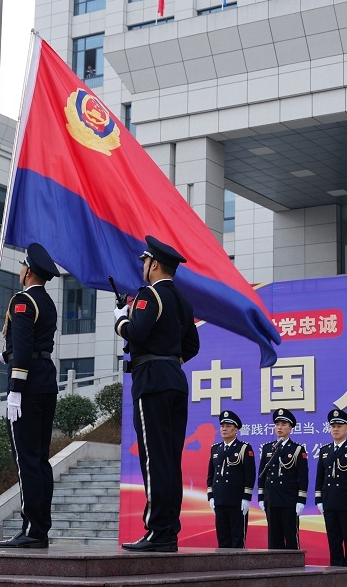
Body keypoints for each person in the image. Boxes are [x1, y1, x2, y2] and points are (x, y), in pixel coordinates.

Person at [115, 235, 200, 553]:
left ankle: (157, 530)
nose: (143, 268)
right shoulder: (183, 300)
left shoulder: (149, 295)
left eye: (145, 263)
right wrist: (170, 359)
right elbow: (192, 346)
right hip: (175, 380)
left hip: (151, 381)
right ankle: (168, 530)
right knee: (169, 459)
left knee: (154, 457)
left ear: (154, 264)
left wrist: (121, 321)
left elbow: (136, 333)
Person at [0, 243, 60, 550]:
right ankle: (40, 528)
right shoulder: (47, 302)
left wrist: (15, 391)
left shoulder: (22, 301)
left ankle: (31, 528)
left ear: (28, 271)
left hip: (28, 386)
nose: (20, 270)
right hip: (46, 381)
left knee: (26, 459)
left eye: (22, 266)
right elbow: (30, 346)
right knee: (40, 459)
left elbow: (22, 349)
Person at [315, 407, 347, 567]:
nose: (335, 429)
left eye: (339, 426)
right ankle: (336, 572)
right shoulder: (325, 451)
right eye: (333, 426)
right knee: (333, 538)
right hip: (330, 501)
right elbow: (320, 477)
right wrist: (319, 499)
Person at [257, 408, 309, 550]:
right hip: (272, 499)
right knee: (274, 538)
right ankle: (275, 569)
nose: (279, 427)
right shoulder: (268, 448)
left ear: (290, 428)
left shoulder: (297, 450)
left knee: (291, 537)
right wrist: (261, 497)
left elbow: (303, 478)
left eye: (283, 424)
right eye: (277, 424)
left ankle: (294, 568)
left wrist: (301, 501)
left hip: (289, 500)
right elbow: (262, 474)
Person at [206, 409, 256, 548]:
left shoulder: (244, 448)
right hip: (220, 500)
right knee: (222, 538)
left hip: (237, 501)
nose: (224, 429)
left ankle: (238, 569)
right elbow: (211, 475)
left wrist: (246, 498)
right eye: (222, 426)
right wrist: (211, 496)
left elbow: (249, 475)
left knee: (237, 539)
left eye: (228, 426)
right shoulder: (215, 449)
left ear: (236, 430)